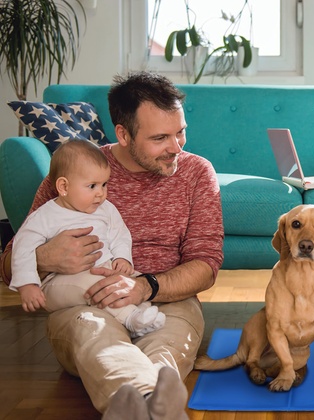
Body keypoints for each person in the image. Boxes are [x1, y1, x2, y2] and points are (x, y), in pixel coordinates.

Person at [0, 72, 224, 419]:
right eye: (160, 137)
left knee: (166, 347)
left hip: (164, 300)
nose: (176, 147)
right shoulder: (77, 172)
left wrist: (144, 287)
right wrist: (44, 258)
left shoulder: (196, 173)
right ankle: (154, 404)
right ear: (123, 134)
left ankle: (139, 407)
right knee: (96, 337)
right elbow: (7, 264)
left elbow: (206, 265)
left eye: (181, 131)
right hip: (83, 304)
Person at [9, 139, 166, 338]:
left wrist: (122, 259)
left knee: (135, 280)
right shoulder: (45, 216)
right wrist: (28, 285)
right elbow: (22, 247)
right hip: (58, 284)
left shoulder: (106, 209)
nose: (100, 193)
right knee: (95, 285)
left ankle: (141, 315)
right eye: (92, 186)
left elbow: (120, 235)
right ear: (64, 186)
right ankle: (129, 317)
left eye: (104, 184)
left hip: (102, 270)